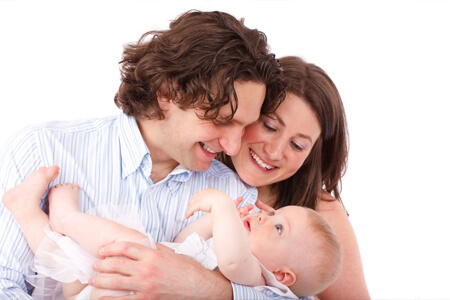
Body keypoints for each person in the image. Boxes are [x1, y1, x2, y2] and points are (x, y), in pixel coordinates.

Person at [0, 10, 286, 299]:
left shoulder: (233, 196)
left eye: (245, 127)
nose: (234, 147)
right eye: (222, 120)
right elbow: (4, 284)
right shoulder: (43, 149)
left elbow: (286, 292)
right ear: (166, 92)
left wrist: (202, 286)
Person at [3, 166, 342, 299]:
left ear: (285, 275)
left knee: (134, 244)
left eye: (279, 226)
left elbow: (235, 261)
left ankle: (66, 218)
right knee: (72, 267)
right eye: (273, 214)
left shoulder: (262, 280)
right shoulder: (233, 252)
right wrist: (212, 225)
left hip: (131, 289)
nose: (264, 217)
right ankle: (27, 212)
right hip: (120, 288)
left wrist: (221, 208)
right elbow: (182, 245)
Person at [217, 56, 371, 299]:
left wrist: (212, 289)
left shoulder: (322, 215)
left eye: (297, 145)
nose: (274, 152)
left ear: (311, 154)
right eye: (269, 126)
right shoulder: (195, 168)